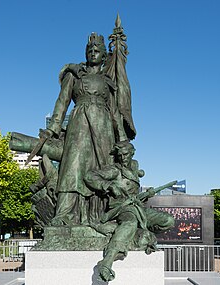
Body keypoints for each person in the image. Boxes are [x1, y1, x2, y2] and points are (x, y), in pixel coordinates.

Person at [48, 33, 129, 226]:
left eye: (97, 50)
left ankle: (100, 216)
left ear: (103, 55)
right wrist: (53, 127)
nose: (93, 53)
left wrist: (122, 137)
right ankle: (65, 214)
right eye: (90, 50)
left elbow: (115, 112)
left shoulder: (107, 81)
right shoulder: (74, 75)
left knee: (101, 169)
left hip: (104, 129)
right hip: (79, 124)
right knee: (72, 167)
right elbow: (62, 101)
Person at [84, 141, 174, 282]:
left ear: (132, 153)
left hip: (139, 208)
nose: (122, 158)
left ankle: (140, 235)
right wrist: (108, 185)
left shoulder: (134, 166)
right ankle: (107, 261)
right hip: (123, 208)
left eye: (125, 154)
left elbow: (134, 193)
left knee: (168, 221)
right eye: (120, 155)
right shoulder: (114, 170)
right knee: (130, 223)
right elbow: (89, 176)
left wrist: (146, 195)